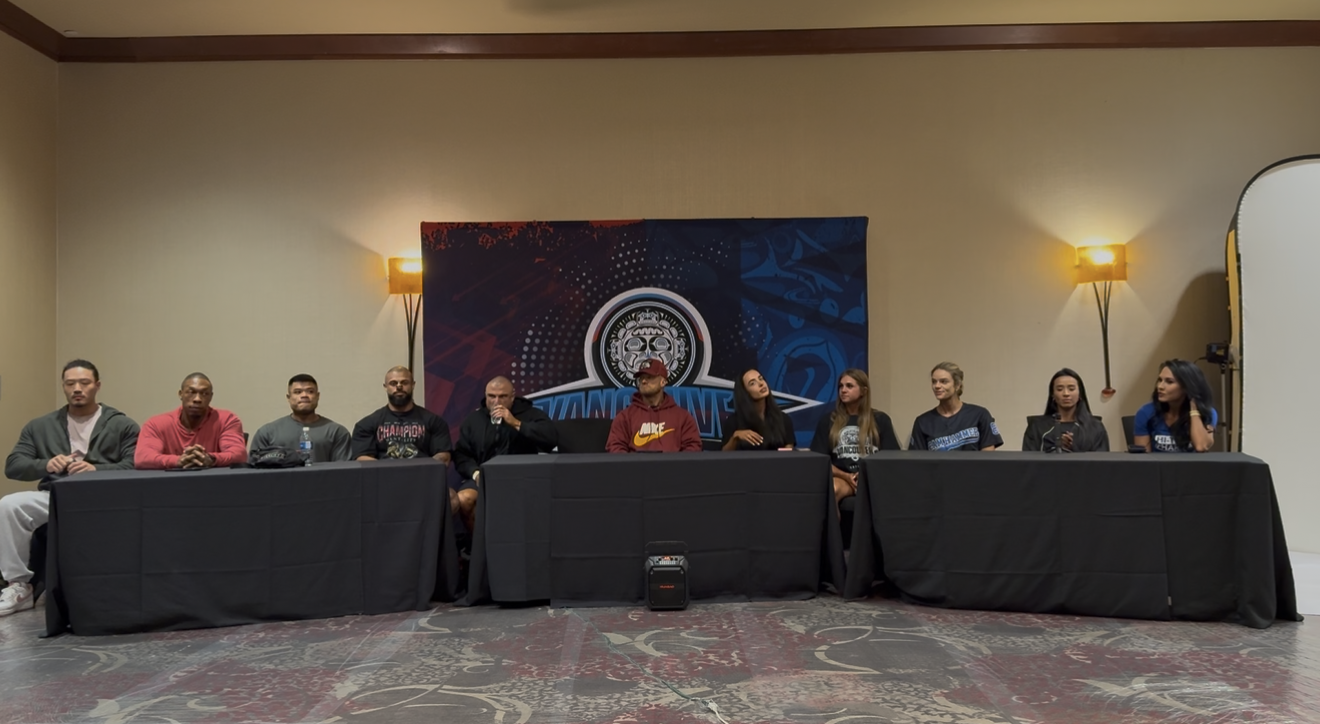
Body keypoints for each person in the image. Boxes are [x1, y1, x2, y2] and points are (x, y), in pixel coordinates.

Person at [1, 360, 139, 616]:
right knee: (9, 505)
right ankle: (19, 585)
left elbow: (136, 464)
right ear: (63, 387)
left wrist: (96, 470)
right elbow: (13, 465)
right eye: (70, 383)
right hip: (56, 496)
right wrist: (46, 464)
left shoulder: (122, 425)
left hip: (105, 500)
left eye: (84, 383)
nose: (77, 388)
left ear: (97, 386)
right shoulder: (40, 426)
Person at [453, 376, 558, 530]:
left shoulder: (531, 414)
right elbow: (461, 455)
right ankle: (477, 544)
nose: (496, 402)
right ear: (485, 396)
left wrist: (515, 423)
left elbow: (551, 438)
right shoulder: (473, 420)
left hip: (523, 477)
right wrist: (475, 473)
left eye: (502, 396)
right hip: (484, 477)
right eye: (491, 396)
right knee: (464, 499)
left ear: (512, 396)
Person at [351, 366, 456, 508]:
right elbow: (362, 458)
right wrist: (395, 474)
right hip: (382, 484)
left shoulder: (434, 421)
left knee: (452, 499)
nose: (399, 387)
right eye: (393, 383)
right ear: (385, 387)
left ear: (413, 385)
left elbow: (443, 457)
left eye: (404, 382)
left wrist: (415, 474)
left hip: (423, 482)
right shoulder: (367, 424)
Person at [809, 369, 901, 502]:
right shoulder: (828, 420)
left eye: (849, 386)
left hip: (873, 478)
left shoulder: (880, 419)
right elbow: (820, 461)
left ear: (864, 391)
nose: (843, 390)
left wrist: (866, 475)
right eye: (841, 386)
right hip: (842, 478)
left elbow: (891, 458)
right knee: (833, 489)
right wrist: (846, 476)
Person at [135, 373, 247, 469]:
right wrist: (178, 461)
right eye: (191, 392)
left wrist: (211, 459)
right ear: (181, 394)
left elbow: (239, 455)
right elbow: (143, 458)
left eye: (204, 393)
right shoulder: (156, 424)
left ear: (211, 397)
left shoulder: (227, 420)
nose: (197, 399)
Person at [249, 374, 352, 463]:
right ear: (288, 398)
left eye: (310, 391)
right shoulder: (268, 433)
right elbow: (255, 469)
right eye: (298, 392)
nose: (304, 395)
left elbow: (343, 471)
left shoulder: (336, 432)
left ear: (318, 396)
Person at [606, 359, 702, 453]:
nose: (643, 381)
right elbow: (615, 447)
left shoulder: (683, 417)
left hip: (672, 464)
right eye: (641, 378)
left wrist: (674, 463)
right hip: (636, 464)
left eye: (649, 377)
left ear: (663, 382)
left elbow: (693, 447)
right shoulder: (625, 417)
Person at [909, 362, 1003, 452]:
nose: (937, 386)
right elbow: (917, 459)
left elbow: (988, 455)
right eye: (934, 382)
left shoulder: (979, 414)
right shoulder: (923, 422)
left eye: (943, 381)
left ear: (957, 385)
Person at [1133, 359, 1218, 453]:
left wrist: (1194, 407)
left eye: (1169, 382)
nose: (1160, 386)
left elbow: (1201, 446)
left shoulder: (1207, 413)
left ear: (1187, 387)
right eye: (1160, 380)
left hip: (1191, 463)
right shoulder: (1145, 412)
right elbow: (1143, 459)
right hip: (1157, 463)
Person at [1022, 368, 1111, 453]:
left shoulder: (1095, 427)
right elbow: (1028, 460)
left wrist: (1073, 447)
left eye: (1071, 389)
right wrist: (1056, 448)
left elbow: (1102, 460)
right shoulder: (1037, 427)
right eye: (1059, 389)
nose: (1066, 393)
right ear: (1053, 394)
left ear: (1080, 393)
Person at [721, 369, 796, 451]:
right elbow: (724, 455)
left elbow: (788, 452)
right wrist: (735, 437)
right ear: (745, 392)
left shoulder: (783, 419)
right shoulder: (733, 422)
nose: (761, 383)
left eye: (761, 378)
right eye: (752, 383)